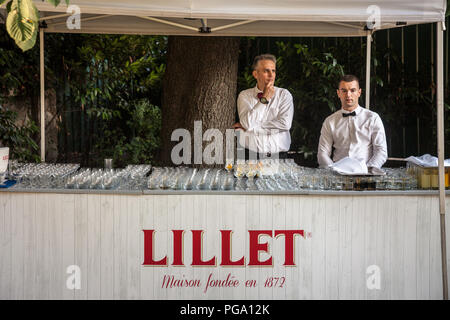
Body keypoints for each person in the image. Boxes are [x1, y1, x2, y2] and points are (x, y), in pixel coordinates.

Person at [317, 74, 387, 170]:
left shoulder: (372, 118)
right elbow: (322, 153)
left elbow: (381, 151)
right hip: (337, 176)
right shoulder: (330, 121)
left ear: (359, 92)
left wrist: (368, 170)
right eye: (344, 91)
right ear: (338, 93)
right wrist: (334, 170)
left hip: (366, 175)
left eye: (352, 90)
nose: (348, 95)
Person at [232, 54, 294, 160]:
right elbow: (247, 123)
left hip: (279, 157)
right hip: (251, 157)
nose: (271, 75)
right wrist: (264, 99)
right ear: (256, 74)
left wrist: (253, 127)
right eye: (266, 71)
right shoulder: (244, 95)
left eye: (273, 71)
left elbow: (285, 124)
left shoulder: (284, 95)